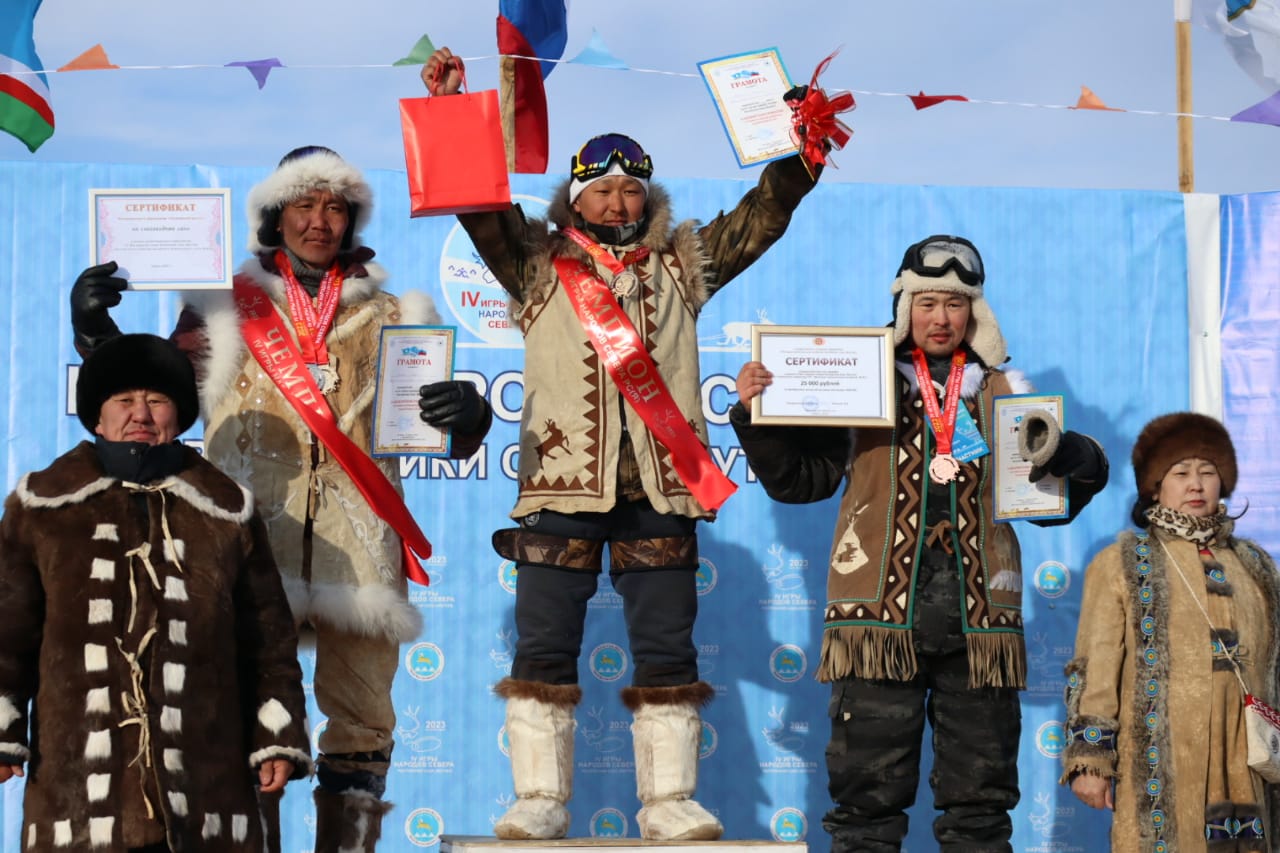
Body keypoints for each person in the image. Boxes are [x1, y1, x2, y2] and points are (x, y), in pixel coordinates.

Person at [418, 46, 824, 842]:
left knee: (668, 652)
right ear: (575, 200)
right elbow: (477, 202)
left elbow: (760, 216)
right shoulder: (535, 266)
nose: (615, 201)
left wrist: (801, 151)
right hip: (559, 486)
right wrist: (452, 110)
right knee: (543, 648)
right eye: (600, 190)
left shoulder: (685, 264)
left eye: (629, 188)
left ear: (648, 196)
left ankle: (669, 801)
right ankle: (538, 799)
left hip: (663, 490)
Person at [69, 146, 493, 850]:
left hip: (360, 541)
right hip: (248, 537)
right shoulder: (224, 309)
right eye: (304, 204)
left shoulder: (397, 312)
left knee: (362, 720)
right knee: (243, 712)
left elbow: (427, 431)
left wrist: (468, 419)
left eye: (334, 206)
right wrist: (95, 332)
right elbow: (159, 389)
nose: (319, 220)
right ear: (275, 215)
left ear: (352, 219)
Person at [730, 235, 1110, 852]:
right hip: (877, 623)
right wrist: (754, 414)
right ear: (907, 306)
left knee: (980, 810)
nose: (941, 318)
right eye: (929, 302)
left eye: (955, 305)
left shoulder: (1003, 392)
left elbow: (1050, 507)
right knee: (865, 808)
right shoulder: (859, 381)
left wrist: (1076, 455)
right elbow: (801, 482)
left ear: (974, 313)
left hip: (979, 625)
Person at [0, 333, 311, 851]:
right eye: (123, 400)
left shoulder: (227, 510)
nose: (140, 414)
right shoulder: (43, 508)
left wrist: (275, 736)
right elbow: (7, 635)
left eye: (157, 401)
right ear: (97, 418)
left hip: (205, 776)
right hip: (80, 784)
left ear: (180, 417)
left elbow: (269, 641)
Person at [1062, 412, 1280, 850]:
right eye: (1180, 473)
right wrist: (1090, 760)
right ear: (1155, 487)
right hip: (1163, 762)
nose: (1196, 484)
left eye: (1208, 472)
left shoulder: (1256, 565)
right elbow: (1096, 666)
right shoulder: (1123, 562)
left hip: (1248, 757)